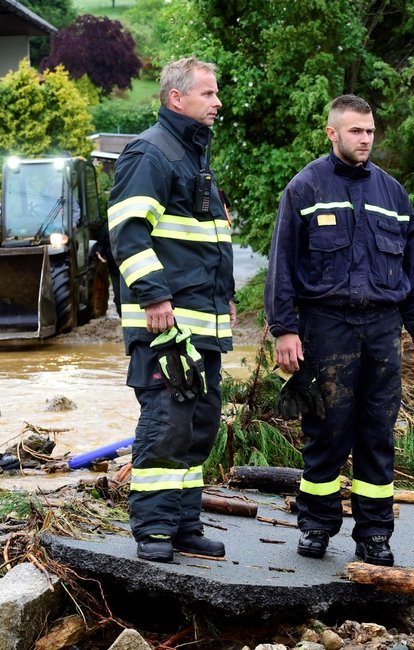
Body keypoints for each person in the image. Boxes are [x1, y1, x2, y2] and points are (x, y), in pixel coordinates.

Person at [265, 94, 414, 567]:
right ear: (332, 133)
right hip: (327, 327)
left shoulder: (393, 194)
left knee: (377, 435)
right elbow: (281, 264)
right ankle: (317, 526)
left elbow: (413, 265)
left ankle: (375, 535)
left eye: (370, 131)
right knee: (326, 430)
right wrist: (284, 330)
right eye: (356, 131)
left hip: (382, 330)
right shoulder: (305, 188)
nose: (365, 139)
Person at [108, 57, 235, 563]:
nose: (218, 102)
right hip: (165, 325)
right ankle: (154, 531)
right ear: (175, 98)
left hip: (200, 325)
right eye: (208, 93)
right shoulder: (152, 153)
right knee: (166, 424)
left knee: (198, 425)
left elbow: (203, 244)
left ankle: (183, 525)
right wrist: (155, 296)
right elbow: (128, 232)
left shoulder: (191, 155)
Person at [91, 221, 121, 317]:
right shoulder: (107, 226)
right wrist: (99, 253)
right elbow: (101, 243)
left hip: (129, 265)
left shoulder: (129, 222)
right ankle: (121, 314)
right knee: (118, 293)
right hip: (114, 266)